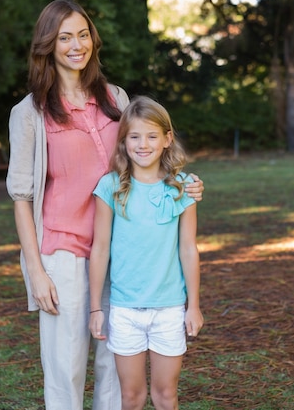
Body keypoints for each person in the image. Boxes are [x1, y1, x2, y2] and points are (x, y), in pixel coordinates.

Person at [5, 0, 204, 410]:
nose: (76, 45)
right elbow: (21, 197)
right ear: (47, 45)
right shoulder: (30, 113)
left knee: (116, 366)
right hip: (63, 250)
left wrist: (183, 186)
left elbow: (143, 158)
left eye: (82, 35)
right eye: (64, 37)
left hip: (122, 251)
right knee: (67, 367)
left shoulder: (115, 97)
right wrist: (36, 271)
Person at [89, 96, 204, 410]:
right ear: (123, 142)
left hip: (168, 309)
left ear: (167, 140)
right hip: (125, 310)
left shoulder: (182, 187)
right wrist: (96, 308)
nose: (143, 144)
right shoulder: (110, 188)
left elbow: (188, 249)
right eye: (134, 137)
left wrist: (193, 306)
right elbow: (99, 250)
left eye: (152, 136)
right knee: (132, 397)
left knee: (166, 395)